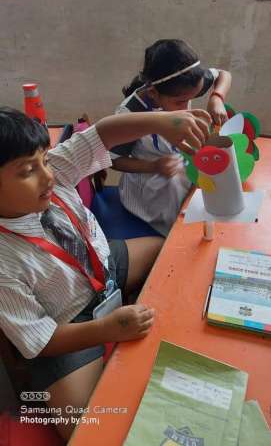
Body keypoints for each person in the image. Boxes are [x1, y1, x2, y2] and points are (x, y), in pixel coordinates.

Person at [0, 106, 210, 441]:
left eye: (43, 159)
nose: (48, 175)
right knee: (84, 426)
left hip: (104, 264)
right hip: (69, 322)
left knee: (164, 250)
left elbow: (105, 133)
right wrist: (106, 329)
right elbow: (38, 341)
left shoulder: (53, 170)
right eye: (28, 170)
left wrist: (163, 122)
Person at [111, 39, 232, 236]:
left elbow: (223, 75)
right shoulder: (130, 114)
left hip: (178, 161)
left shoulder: (186, 83)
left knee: (208, 180)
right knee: (177, 198)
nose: (186, 107)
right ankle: (174, 239)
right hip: (151, 177)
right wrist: (154, 166)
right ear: (153, 93)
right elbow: (112, 161)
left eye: (190, 99)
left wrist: (216, 97)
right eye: (180, 102)